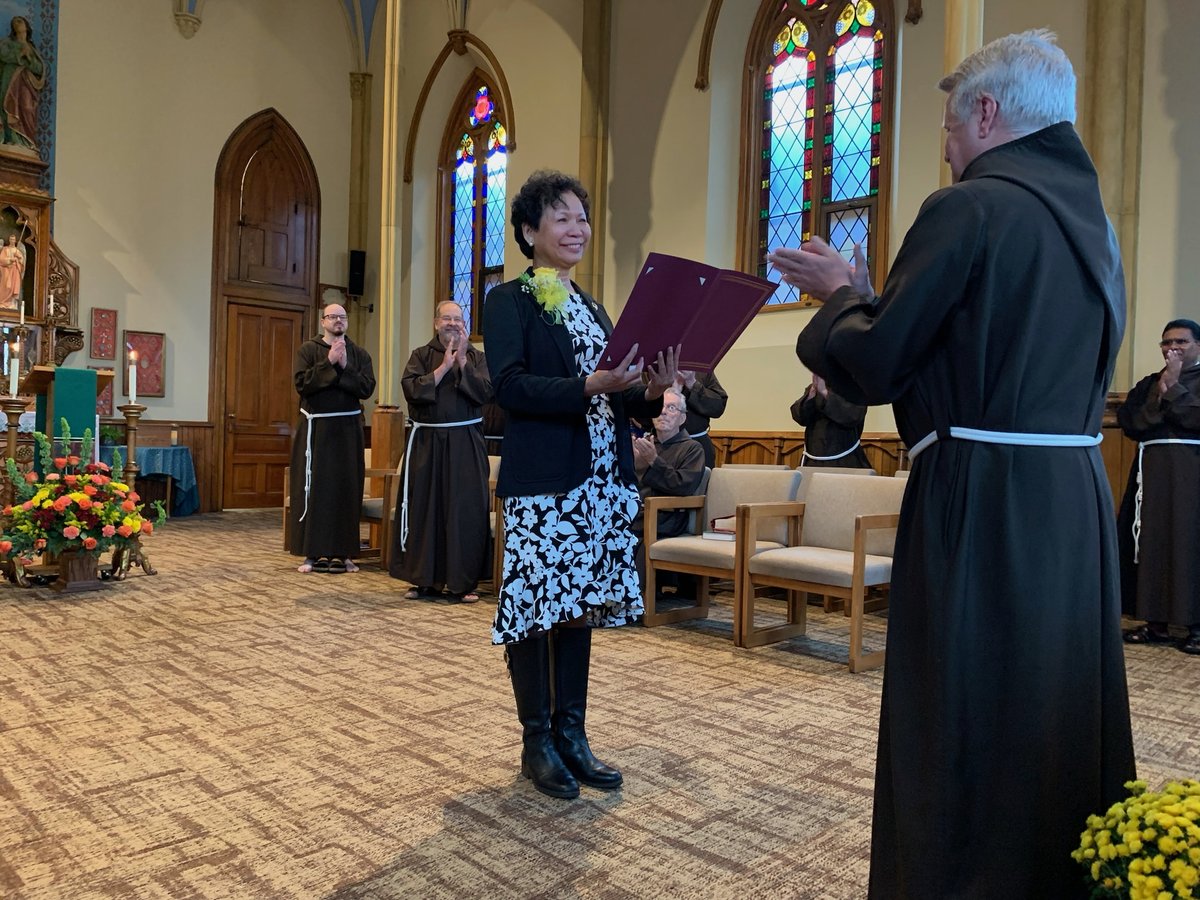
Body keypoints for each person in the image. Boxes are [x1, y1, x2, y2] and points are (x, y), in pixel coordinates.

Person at [768, 30, 1135, 899]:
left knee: (964, 709)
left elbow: (884, 358)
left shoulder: (966, 207)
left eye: (945, 120)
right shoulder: (1094, 225)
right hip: (1072, 495)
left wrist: (841, 295)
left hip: (981, 497)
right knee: (1051, 699)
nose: (942, 141)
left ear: (985, 110)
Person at [483, 169, 677, 800]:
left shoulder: (594, 307)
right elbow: (507, 388)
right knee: (537, 611)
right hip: (546, 482)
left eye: (582, 218)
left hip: (600, 481)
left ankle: (573, 735)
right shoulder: (507, 301)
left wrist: (650, 390)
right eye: (561, 217)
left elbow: (625, 405)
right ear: (529, 230)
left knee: (577, 610)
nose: (577, 228)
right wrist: (590, 386)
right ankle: (536, 740)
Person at [390, 300, 492, 603]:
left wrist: (461, 364)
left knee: (464, 510)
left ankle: (463, 582)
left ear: (465, 325)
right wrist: (444, 367)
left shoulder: (479, 357)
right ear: (436, 323)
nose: (452, 324)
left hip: (465, 443)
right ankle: (425, 581)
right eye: (446, 318)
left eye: (457, 319)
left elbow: (486, 393)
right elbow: (411, 390)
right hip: (427, 444)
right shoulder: (421, 356)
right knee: (425, 508)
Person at [1116, 318, 1200, 654]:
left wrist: (1176, 388)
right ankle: (1155, 622)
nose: (1172, 348)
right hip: (1151, 475)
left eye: (1181, 342)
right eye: (1166, 343)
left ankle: (1196, 626)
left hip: (1192, 477)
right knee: (1151, 542)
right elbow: (1131, 421)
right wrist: (1164, 391)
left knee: (1190, 541)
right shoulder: (1150, 382)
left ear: (1198, 345)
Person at [288, 303, 376, 574]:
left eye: (343, 317)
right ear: (322, 321)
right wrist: (328, 363)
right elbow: (302, 385)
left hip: (348, 431)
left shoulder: (359, 354)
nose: (338, 321)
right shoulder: (308, 350)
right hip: (317, 431)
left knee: (345, 489)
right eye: (333, 317)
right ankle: (312, 554)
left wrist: (346, 365)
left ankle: (344, 553)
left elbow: (366, 388)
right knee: (315, 489)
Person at [631, 387, 705, 586]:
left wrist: (654, 461)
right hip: (636, 511)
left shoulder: (692, 448)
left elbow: (683, 486)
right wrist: (631, 464)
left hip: (666, 516)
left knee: (630, 538)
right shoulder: (644, 444)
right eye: (660, 407)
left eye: (671, 408)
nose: (663, 412)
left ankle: (634, 603)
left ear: (682, 418)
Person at [789, 373, 872, 468]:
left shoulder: (855, 388)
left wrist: (824, 393)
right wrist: (811, 393)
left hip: (845, 461)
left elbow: (853, 416)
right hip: (813, 461)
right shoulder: (815, 388)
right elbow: (799, 417)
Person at [0, 16, 44, 151]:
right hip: (9, 79)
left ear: (26, 26)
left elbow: (39, 68)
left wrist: (29, 56)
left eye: (21, 21)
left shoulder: (32, 49)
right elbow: (3, 55)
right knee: (7, 106)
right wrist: (20, 54)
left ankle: (27, 141)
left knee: (27, 108)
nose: (18, 22)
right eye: (15, 22)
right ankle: (11, 138)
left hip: (26, 84)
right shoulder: (7, 43)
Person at [677, 370, 727, 468]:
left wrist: (692, 383)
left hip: (699, 442)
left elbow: (718, 407)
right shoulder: (652, 365)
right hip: (661, 445)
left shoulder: (700, 368)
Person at [0, 233, 24, 311]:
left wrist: (19, 258)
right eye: (11, 239)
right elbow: (1, 260)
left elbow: (22, 262)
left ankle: (11, 303)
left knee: (13, 287)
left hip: (15, 271)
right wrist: (10, 259)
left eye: (13, 239)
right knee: (7, 286)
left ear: (15, 241)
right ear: (9, 240)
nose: (12, 241)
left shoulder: (17, 250)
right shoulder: (5, 249)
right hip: (6, 270)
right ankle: (3, 302)